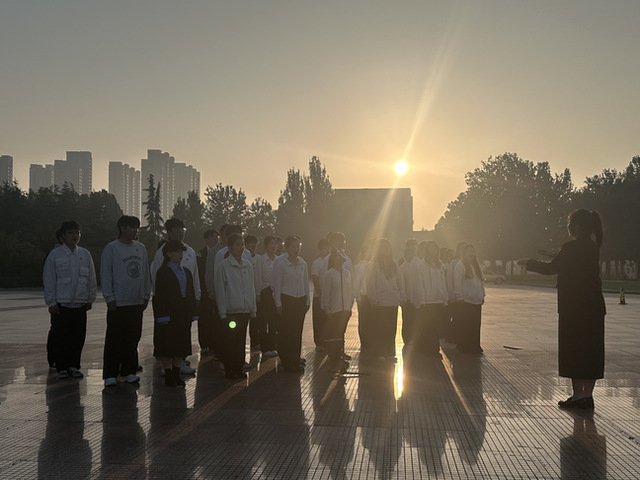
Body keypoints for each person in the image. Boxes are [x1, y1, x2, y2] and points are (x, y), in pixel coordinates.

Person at [518, 209, 605, 409]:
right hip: (594, 307)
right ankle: (587, 396)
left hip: (574, 308)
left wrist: (529, 263)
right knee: (591, 351)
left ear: (576, 227)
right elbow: (570, 262)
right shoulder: (592, 247)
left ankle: (577, 396)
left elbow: (551, 268)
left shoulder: (570, 248)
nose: (568, 227)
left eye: (569, 224)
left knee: (574, 350)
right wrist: (555, 255)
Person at [42, 221, 97, 379]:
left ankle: (74, 366)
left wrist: (90, 298)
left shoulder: (85, 254)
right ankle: (62, 367)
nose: (75, 235)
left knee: (78, 336)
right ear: (63, 236)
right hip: (62, 303)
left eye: (77, 232)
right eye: (71, 232)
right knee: (61, 337)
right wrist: (51, 302)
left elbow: (91, 278)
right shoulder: (55, 255)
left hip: (80, 303)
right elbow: (49, 279)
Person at [101, 216, 151, 386]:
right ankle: (110, 373)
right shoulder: (112, 248)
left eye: (137, 227)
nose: (135, 231)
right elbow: (106, 273)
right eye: (132, 227)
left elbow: (145, 272)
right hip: (118, 302)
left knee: (132, 337)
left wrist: (146, 294)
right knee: (115, 338)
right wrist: (109, 297)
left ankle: (128, 371)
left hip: (136, 301)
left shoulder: (140, 248)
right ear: (122, 228)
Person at [150, 217, 200, 375]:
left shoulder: (190, 251)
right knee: (168, 334)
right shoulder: (162, 252)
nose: (180, 232)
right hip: (169, 302)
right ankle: (167, 365)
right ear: (169, 232)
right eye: (176, 230)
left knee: (183, 333)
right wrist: (160, 302)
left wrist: (197, 296)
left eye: (182, 229)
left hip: (185, 302)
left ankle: (181, 361)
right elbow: (156, 276)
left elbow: (194, 275)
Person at [214, 234, 257, 379]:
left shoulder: (247, 265)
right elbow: (220, 290)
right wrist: (222, 312)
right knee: (230, 341)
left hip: (244, 311)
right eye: (237, 244)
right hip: (231, 312)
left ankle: (238, 368)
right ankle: (230, 370)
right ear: (230, 247)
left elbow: (251, 288)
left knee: (240, 341)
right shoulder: (224, 266)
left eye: (242, 244)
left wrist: (253, 309)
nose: (241, 247)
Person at [273, 235, 310, 373]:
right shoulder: (281, 264)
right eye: (293, 246)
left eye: (298, 246)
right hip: (287, 300)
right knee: (287, 331)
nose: (296, 249)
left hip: (300, 300)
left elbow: (306, 283)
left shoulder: (302, 263)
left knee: (297, 332)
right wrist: (278, 303)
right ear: (287, 248)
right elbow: (277, 285)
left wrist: (307, 300)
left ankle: (295, 359)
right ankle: (287, 361)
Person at [365, 239, 404, 362]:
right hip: (380, 302)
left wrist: (400, 296)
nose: (386, 249)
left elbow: (400, 281)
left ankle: (390, 353)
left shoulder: (393, 264)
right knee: (380, 328)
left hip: (393, 301)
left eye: (387, 247)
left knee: (391, 329)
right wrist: (374, 299)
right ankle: (379, 353)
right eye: (383, 247)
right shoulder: (374, 265)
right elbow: (370, 283)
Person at [412, 241, 448, 358]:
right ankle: (427, 349)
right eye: (431, 248)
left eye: (435, 248)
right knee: (428, 327)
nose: (433, 251)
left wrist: (445, 298)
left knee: (436, 327)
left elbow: (443, 283)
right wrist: (422, 300)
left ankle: (435, 349)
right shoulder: (422, 265)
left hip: (438, 300)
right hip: (427, 301)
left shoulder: (440, 265)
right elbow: (420, 283)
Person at [321, 250, 354, 370]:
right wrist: (326, 308)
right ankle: (333, 357)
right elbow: (326, 292)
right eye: (335, 257)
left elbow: (350, 290)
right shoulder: (329, 274)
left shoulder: (346, 273)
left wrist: (350, 306)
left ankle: (339, 354)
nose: (338, 259)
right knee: (334, 333)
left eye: (339, 257)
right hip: (334, 309)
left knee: (341, 333)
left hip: (345, 309)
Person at [453, 244, 485, 354]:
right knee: (467, 325)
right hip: (466, 301)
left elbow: (481, 283)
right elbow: (457, 283)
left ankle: (475, 345)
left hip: (477, 300)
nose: (471, 253)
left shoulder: (477, 266)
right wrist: (460, 297)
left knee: (476, 325)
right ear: (464, 253)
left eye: (473, 251)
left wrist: (483, 295)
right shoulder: (460, 266)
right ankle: (465, 346)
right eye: (469, 251)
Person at [253, 235, 279, 357]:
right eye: (271, 244)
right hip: (264, 293)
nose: (273, 246)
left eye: (275, 244)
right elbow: (257, 277)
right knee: (263, 322)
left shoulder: (278, 260)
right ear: (265, 245)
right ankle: (265, 348)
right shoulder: (260, 259)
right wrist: (258, 293)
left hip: (275, 293)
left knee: (274, 321)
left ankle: (272, 346)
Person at [196, 229, 219, 354]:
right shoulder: (201, 254)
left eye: (217, 237)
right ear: (206, 239)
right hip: (204, 292)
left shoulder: (220, 253)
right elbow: (199, 273)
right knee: (204, 318)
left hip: (216, 292)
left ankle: (214, 343)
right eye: (213, 237)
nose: (216, 239)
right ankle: (204, 344)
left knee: (214, 319)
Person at [311, 238, 331, 352]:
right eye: (324, 248)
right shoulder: (317, 263)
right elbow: (315, 279)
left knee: (327, 320)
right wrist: (320, 294)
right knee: (318, 320)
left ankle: (327, 342)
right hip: (318, 296)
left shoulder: (331, 262)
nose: (327, 250)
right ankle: (319, 343)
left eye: (328, 248)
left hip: (329, 296)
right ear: (319, 249)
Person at [353, 243, 373, 352]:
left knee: (371, 320)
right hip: (363, 297)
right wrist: (358, 297)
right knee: (363, 320)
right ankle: (365, 343)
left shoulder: (373, 265)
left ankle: (370, 342)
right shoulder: (359, 266)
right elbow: (356, 282)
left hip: (372, 297)